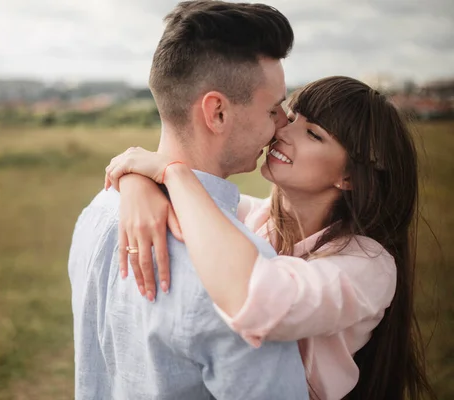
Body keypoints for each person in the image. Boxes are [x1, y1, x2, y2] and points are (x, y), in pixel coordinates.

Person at [104, 76, 435, 400]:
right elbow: (149, 173)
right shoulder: (249, 216)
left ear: (348, 176)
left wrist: (172, 173)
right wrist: (138, 184)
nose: (282, 130)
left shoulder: (369, 266)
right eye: (290, 117)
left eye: (313, 134)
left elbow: (259, 300)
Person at [68, 1, 309, 399]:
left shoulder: (96, 213)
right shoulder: (245, 277)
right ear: (216, 113)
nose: (283, 122)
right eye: (272, 108)